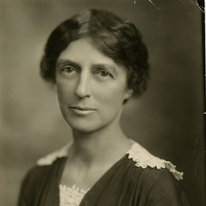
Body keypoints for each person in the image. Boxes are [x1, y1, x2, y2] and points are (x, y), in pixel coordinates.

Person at [18, 9, 190, 206]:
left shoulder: (153, 185)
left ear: (130, 86)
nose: (81, 90)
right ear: (54, 78)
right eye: (69, 69)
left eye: (102, 72)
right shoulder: (37, 179)